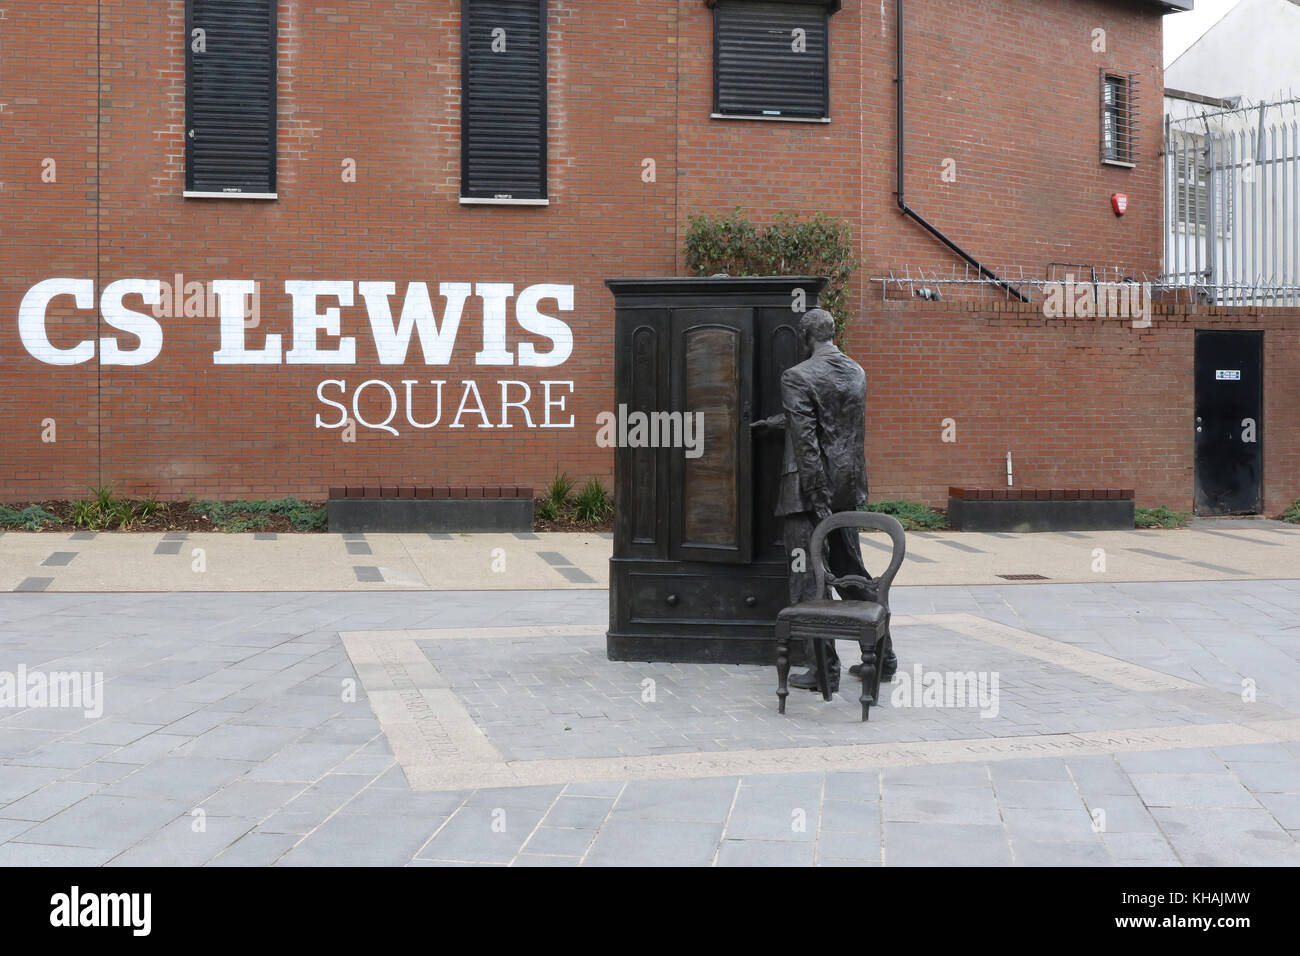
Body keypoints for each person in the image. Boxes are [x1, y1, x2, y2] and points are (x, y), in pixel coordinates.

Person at [752, 308, 898, 691]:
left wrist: (817, 496)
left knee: (807, 577)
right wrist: (775, 422)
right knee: (853, 570)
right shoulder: (856, 372)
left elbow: (806, 440)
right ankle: (883, 657)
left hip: (807, 493)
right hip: (848, 486)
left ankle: (823, 668)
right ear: (833, 333)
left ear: (805, 337)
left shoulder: (796, 375)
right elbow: (829, 419)